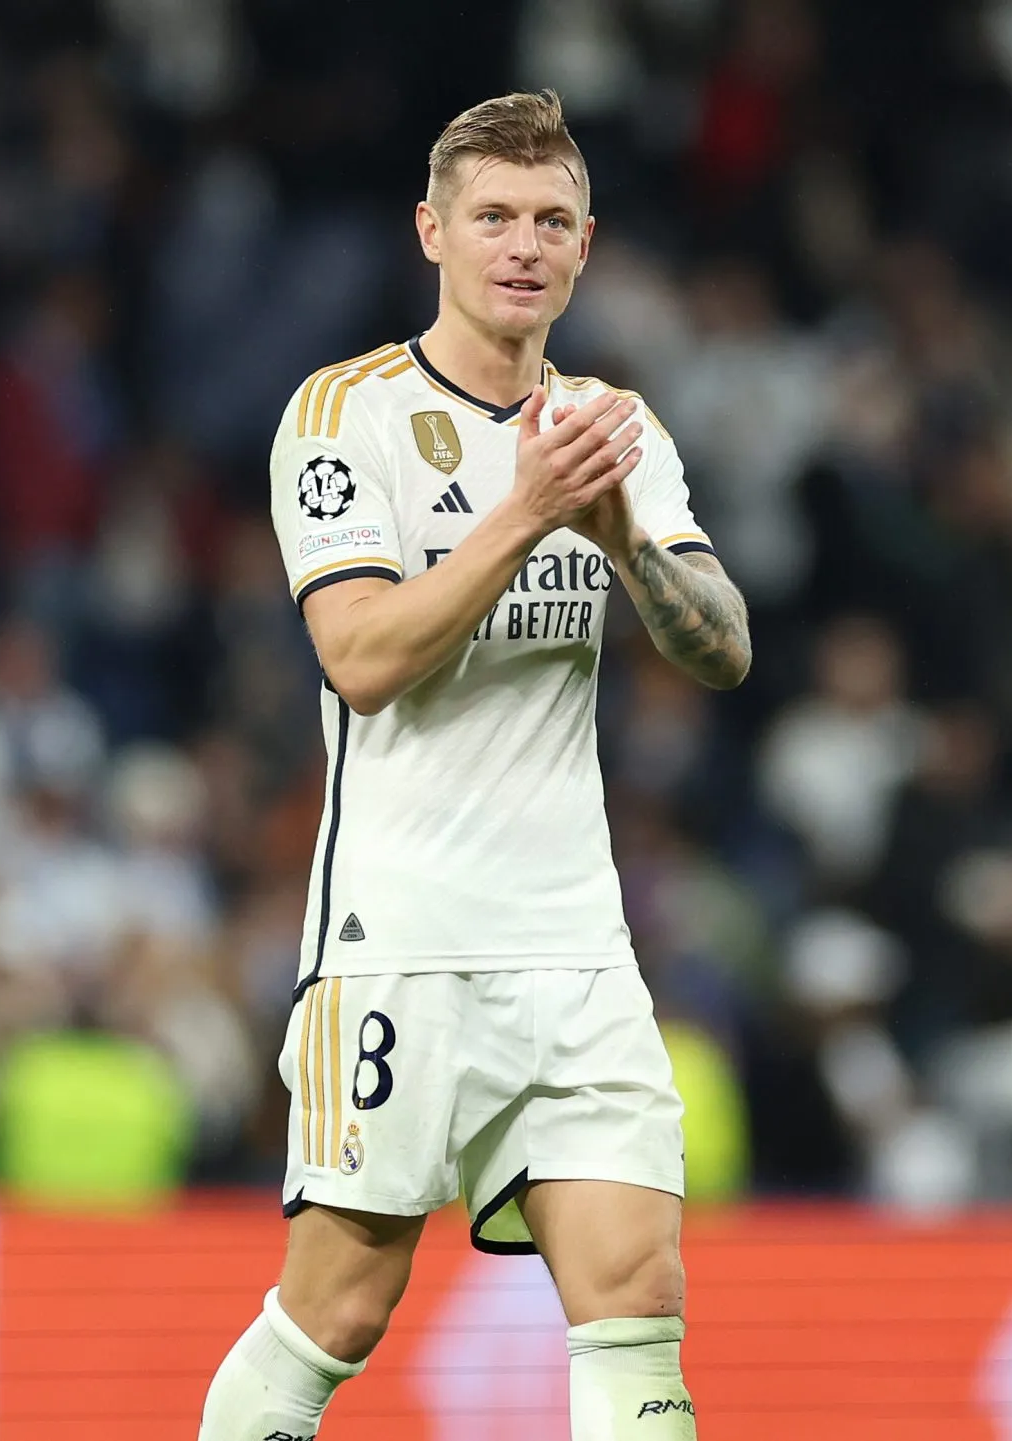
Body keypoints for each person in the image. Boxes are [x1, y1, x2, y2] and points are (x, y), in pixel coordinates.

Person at [197, 91, 751, 1441]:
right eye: (495, 217)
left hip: (575, 943)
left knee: (635, 1289)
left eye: (552, 220)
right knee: (340, 1307)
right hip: (403, 939)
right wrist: (527, 513)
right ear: (432, 231)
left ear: (585, 246)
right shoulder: (347, 417)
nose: (524, 244)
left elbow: (723, 645)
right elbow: (364, 657)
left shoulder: (614, 424)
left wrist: (620, 537)